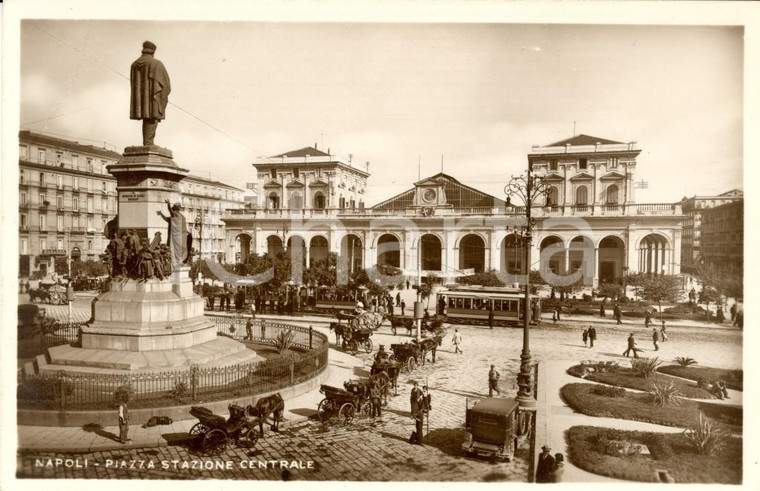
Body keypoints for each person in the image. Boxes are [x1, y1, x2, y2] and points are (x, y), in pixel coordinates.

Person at [130, 41, 171, 146]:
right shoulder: (157, 63)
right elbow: (166, 85)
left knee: (147, 119)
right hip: (154, 99)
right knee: (153, 117)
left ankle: (147, 142)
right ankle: (148, 143)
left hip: (140, 101)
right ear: (153, 51)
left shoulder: (134, 64)